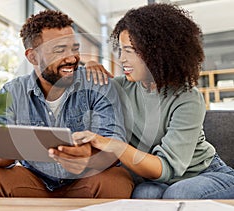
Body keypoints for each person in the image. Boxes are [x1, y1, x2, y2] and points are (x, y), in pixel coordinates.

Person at [0, 10, 134, 198]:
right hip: (35, 182)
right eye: (59, 50)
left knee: (116, 179)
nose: (72, 58)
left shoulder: (97, 83)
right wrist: (9, 149)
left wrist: (86, 157)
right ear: (32, 57)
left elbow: (114, 141)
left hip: (85, 180)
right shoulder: (12, 91)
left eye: (74, 48)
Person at [78, 3, 234, 199]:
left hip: (206, 174)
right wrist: (87, 68)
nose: (122, 59)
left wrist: (115, 145)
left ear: (158, 52)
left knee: (179, 193)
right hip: (157, 180)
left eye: (130, 51)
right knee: (144, 194)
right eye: (121, 50)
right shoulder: (120, 87)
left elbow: (167, 167)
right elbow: (73, 90)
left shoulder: (187, 97)